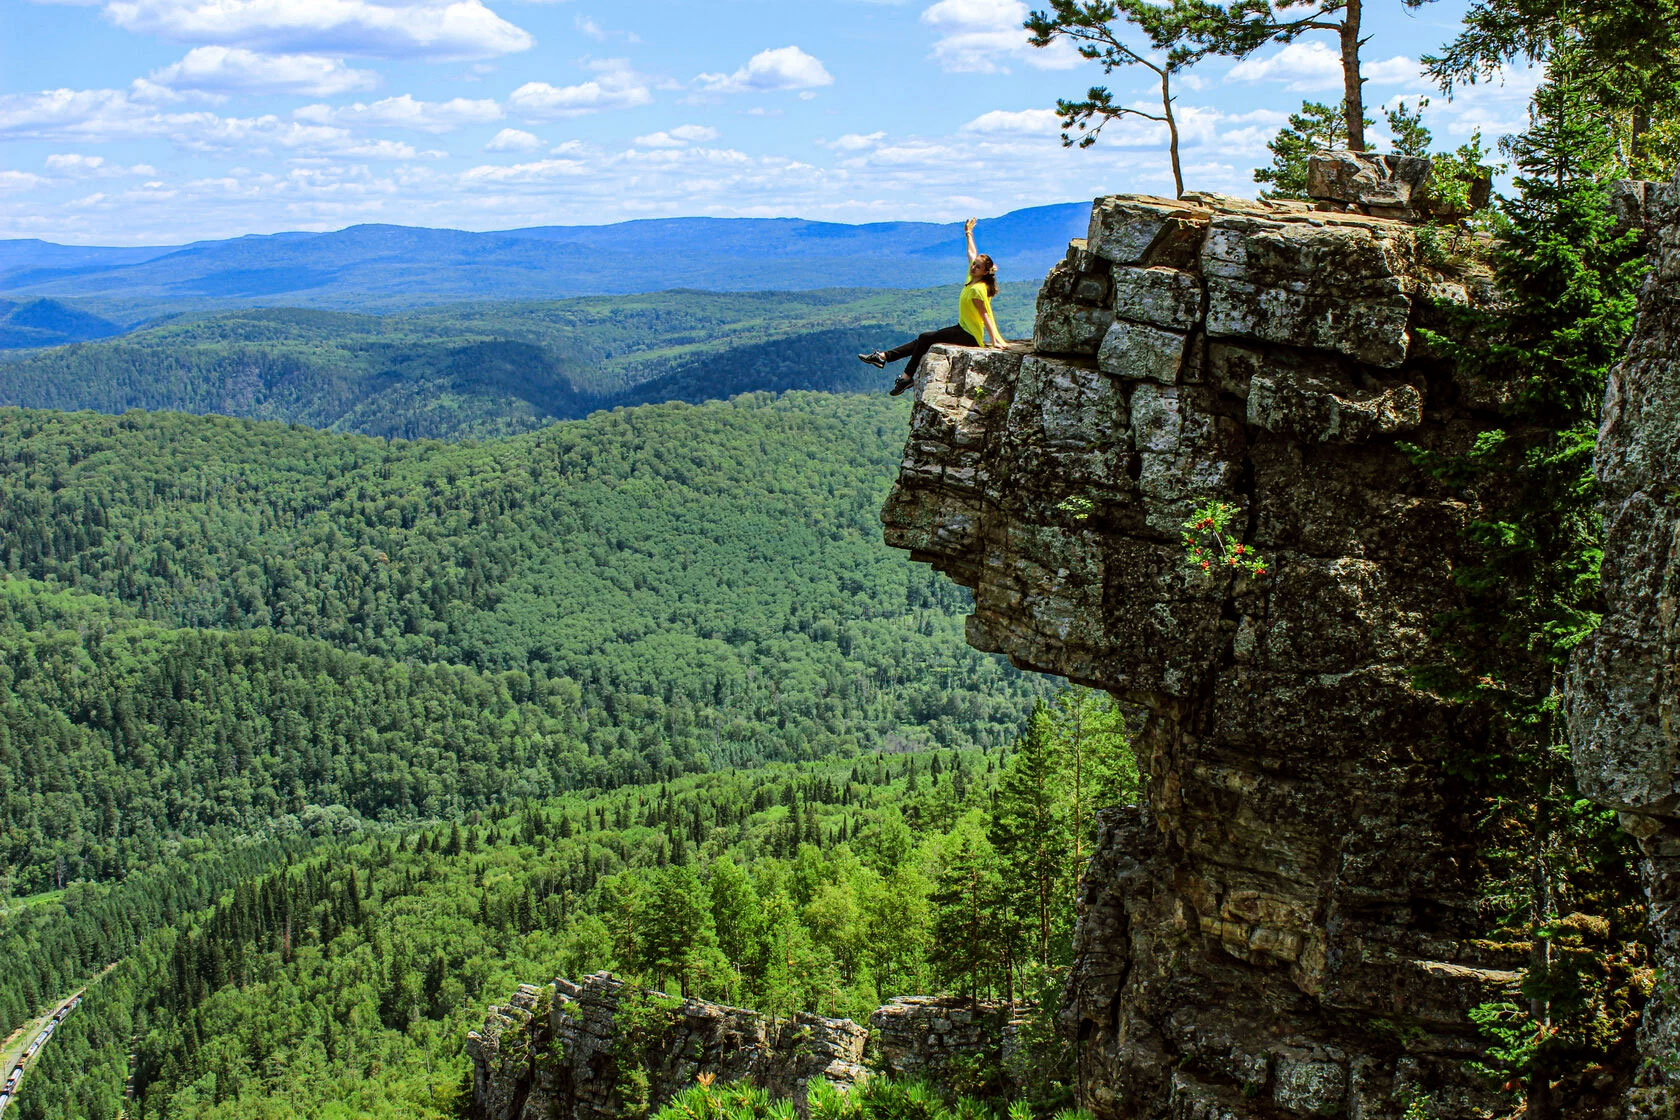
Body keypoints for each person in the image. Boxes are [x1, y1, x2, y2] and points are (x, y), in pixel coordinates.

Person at [860, 216, 1005, 395]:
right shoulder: (971, 280)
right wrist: (968, 233)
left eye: (978, 266)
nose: (973, 267)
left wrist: (994, 341)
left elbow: (985, 316)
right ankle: (883, 357)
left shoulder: (978, 289)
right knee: (923, 339)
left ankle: (905, 377)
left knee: (925, 337)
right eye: (974, 264)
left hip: (970, 335)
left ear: (984, 272)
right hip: (963, 329)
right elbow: (971, 253)